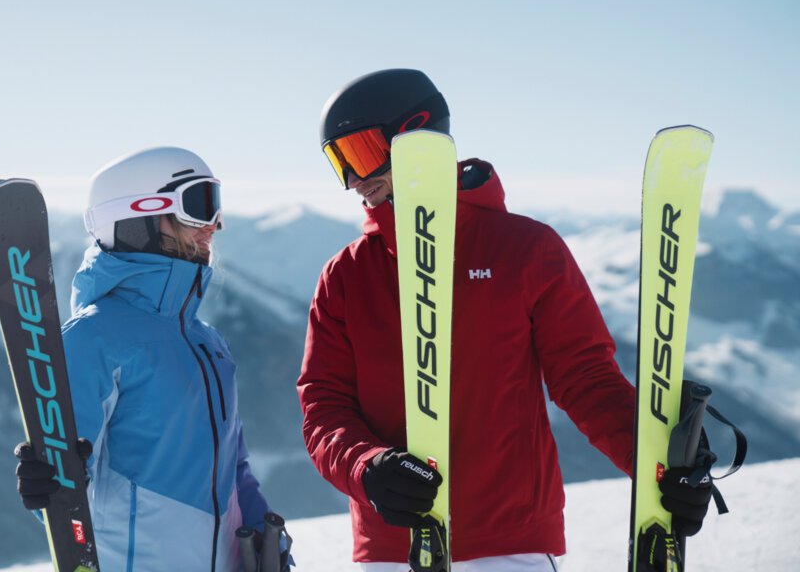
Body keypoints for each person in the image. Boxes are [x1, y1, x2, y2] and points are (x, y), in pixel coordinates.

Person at [297, 69, 715, 571]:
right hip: (393, 544)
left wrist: (658, 462)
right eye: (339, 163)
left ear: (416, 133)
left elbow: (586, 380)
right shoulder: (346, 276)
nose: (356, 180)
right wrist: (367, 468)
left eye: (361, 153)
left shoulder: (527, 250)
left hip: (510, 544)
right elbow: (323, 408)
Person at [14, 147, 291, 572]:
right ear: (138, 216)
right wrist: (45, 486)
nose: (215, 225)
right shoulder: (91, 339)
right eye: (199, 205)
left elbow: (235, 469)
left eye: (215, 204)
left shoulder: (207, 343)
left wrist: (267, 544)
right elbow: (63, 496)